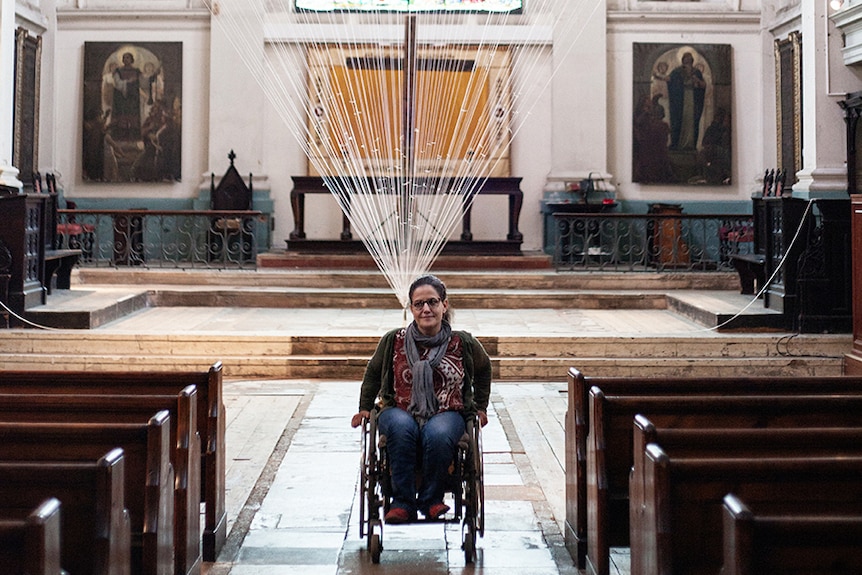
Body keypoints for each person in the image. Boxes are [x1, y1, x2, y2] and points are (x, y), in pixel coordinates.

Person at [351, 274, 492, 524]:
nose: (426, 309)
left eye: (432, 302)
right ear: (411, 308)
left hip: (448, 410)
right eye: (419, 304)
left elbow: (484, 370)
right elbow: (373, 372)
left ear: (444, 305)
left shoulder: (463, 343)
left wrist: (480, 406)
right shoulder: (394, 340)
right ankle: (402, 502)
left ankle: (431, 500)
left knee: (437, 434)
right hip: (399, 408)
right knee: (403, 429)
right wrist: (364, 407)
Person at [667, 52, 706, 150]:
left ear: (692, 61)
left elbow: (703, 86)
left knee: (691, 120)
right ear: (683, 60)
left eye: (689, 60)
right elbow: (670, 81)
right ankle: (677, 144)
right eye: (685, 59)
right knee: (679, 120)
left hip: (692, 100)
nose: (687, 61)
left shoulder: (696, 72)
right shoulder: (676, 72)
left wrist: (697, 80)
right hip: (680, 100)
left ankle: (690, 145)